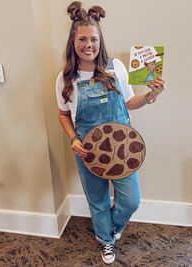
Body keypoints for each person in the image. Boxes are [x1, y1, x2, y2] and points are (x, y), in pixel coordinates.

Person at [56, 1, 165, 264]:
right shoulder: (65, 78)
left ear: (100, 40)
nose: (89, 45)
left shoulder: (116, 67)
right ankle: (106, 240)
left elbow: (129, 104)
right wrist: (73, 139)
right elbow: (63, 114)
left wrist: (151, 95)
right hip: (88, 150)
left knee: (131, 201)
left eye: (93, 39)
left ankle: (112, 228)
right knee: (98, 200)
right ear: (73, 42)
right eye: (82, 39)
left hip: (123, 149)